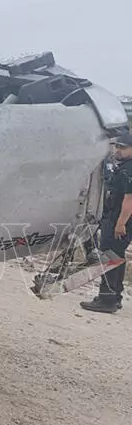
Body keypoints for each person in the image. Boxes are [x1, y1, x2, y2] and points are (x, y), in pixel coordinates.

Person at [80, 132, 132, 313]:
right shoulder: (125, 166)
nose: (118, 150)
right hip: (117, 219)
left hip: (119, 220)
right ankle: (114, 297)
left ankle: (107, 300)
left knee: (109, 257)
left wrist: (120, 223)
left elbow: (129, 199)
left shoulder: (129, 169)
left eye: (123, 148)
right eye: (117, 146)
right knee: (116, 257)